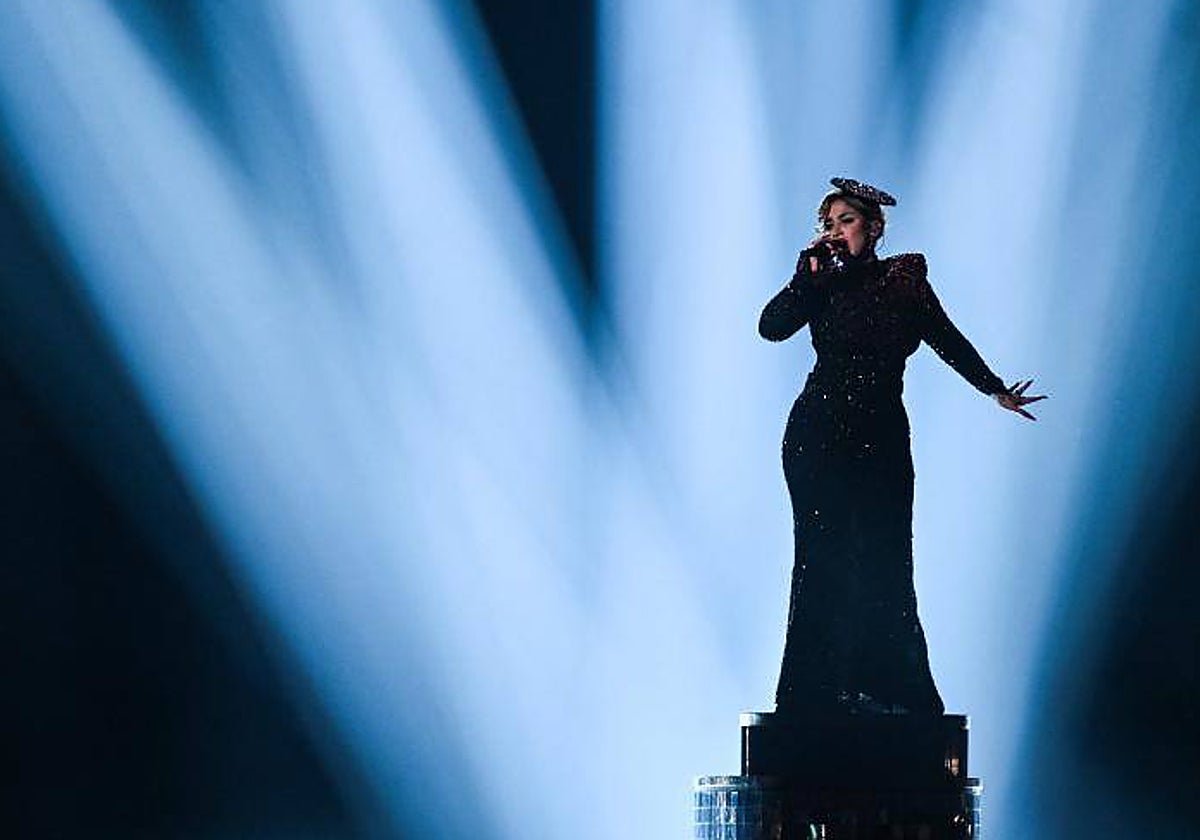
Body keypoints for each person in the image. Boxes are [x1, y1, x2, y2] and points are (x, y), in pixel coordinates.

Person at [759, 177, 1045, 717]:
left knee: (886, 558)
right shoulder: (821, 283)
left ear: (873, 227)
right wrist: (804, 283)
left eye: (846, 221)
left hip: (882, 435)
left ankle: (887, 688)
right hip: (819, 432)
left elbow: (946, 337)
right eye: (828, 224)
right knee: (823, 556)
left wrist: (995, 388)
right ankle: (817, 694)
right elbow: (770, 328)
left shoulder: (904, 280)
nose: (836, 232)